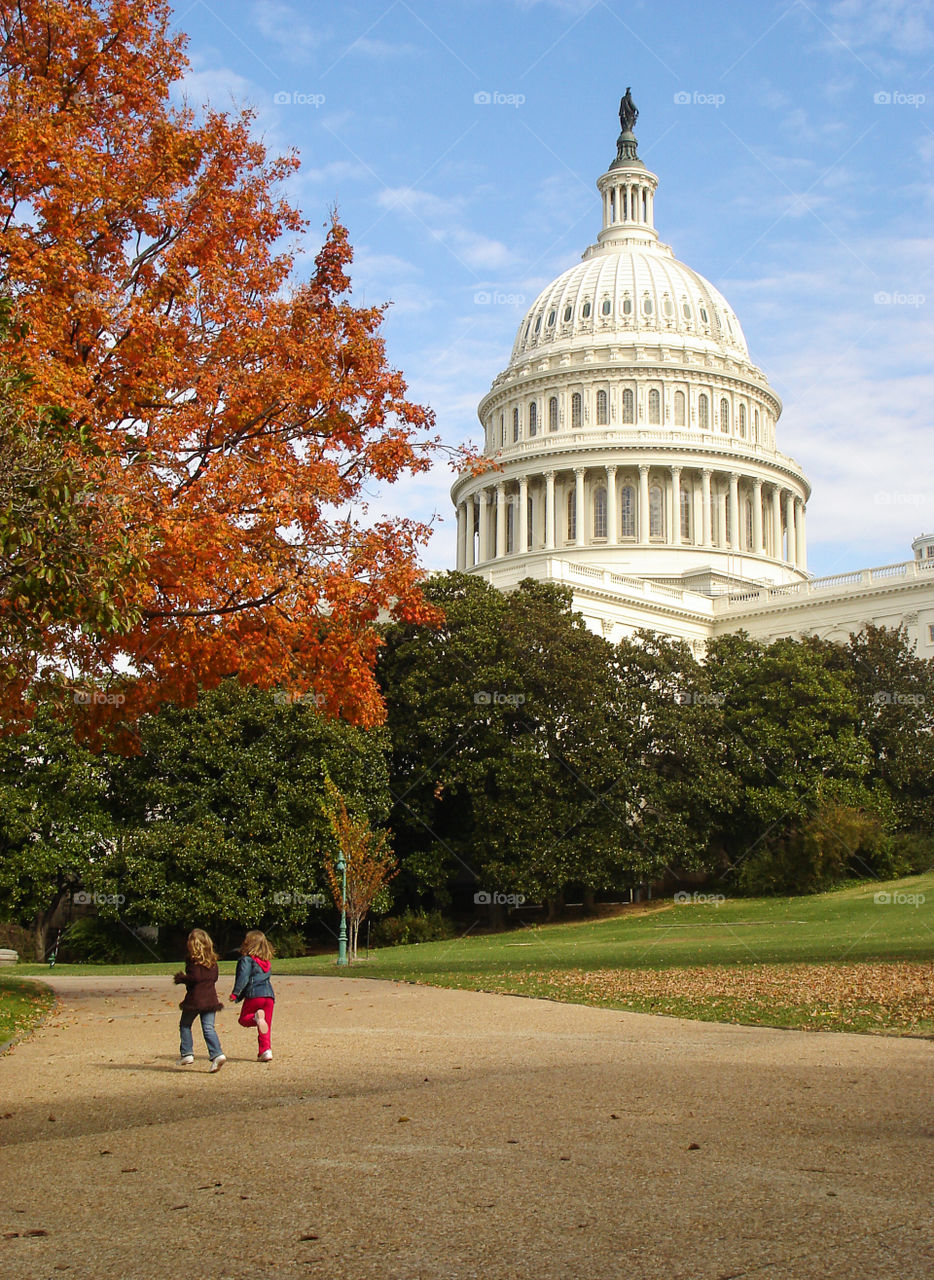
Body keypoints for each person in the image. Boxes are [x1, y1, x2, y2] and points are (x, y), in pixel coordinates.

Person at [174, 928, 226, 1072]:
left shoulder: (192, 961)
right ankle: (217, 1054)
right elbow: (214, 978)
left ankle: (187, 1053)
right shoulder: (213, 962)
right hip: (210, 999)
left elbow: (195, 978)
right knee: (208, 1027)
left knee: (185, 1025)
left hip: (195, 1000)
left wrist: (182, 978)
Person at [230, 930, 275, 1061]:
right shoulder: (266, 962)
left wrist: (235, 993)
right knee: (266, 1025)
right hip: (269, 996)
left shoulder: (246, 960)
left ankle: (256, 1017)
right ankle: (266, 1051)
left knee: (244, 1019)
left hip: (255, 995)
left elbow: (243, 978)